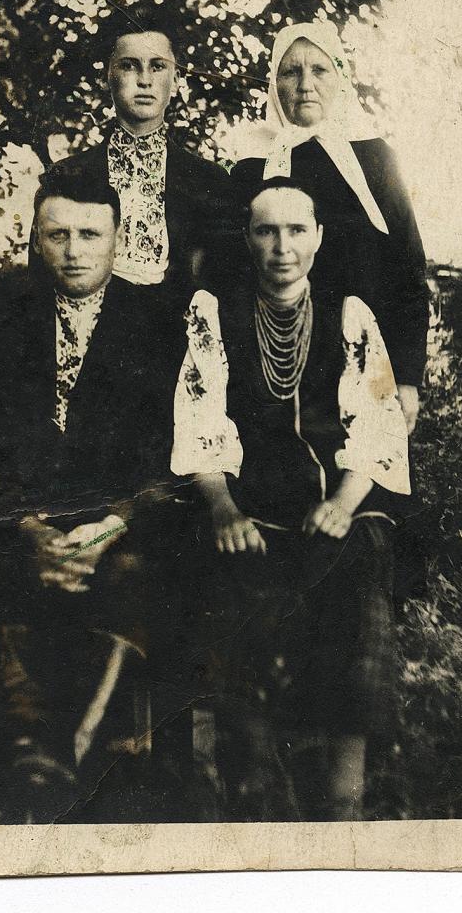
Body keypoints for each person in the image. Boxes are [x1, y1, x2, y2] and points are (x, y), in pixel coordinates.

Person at [169, 177, 410, 822]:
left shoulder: (350, 314)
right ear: (248, 240)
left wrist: (347, 501)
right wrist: (221, 506)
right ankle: (253, 780)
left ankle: (344, 794)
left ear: (318, 237)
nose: (282, 247)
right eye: (266, 231)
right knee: (226, 584)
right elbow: (198, 415)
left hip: (338, 500)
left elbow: (381, 417)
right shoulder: (213, 314)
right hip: (249, 502)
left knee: (356, 574)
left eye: (296, 230)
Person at [0, 151, 179, 822]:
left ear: (117, 239)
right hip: (26, 524)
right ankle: (34, 751)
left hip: (126, 522)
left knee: (134, 575)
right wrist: (30, 531)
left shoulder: (159, 325)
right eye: (58, 235)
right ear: (35, 237)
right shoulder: (0, 322)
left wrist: (108, 525)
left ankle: (62, 756)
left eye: (90, 235)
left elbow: (174, 456)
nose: (75, 250)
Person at [229, 20, 429, 435]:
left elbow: (408, 273)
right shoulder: (250, 170)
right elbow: (231, 277)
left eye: (319, 70)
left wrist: (408, 377)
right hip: (274, 367)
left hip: (367, 366)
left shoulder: (376, 161)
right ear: (273, 82)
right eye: (291, 71)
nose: (305, 85)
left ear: (340, 79)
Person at [30, 6, 234, 303]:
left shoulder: (209, 180)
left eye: (158, 66)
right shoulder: (65, 176)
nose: (144, 80)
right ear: (107, 77)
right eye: (129, 65)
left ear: (176, 80)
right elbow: (40, 287)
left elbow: (226, 285)